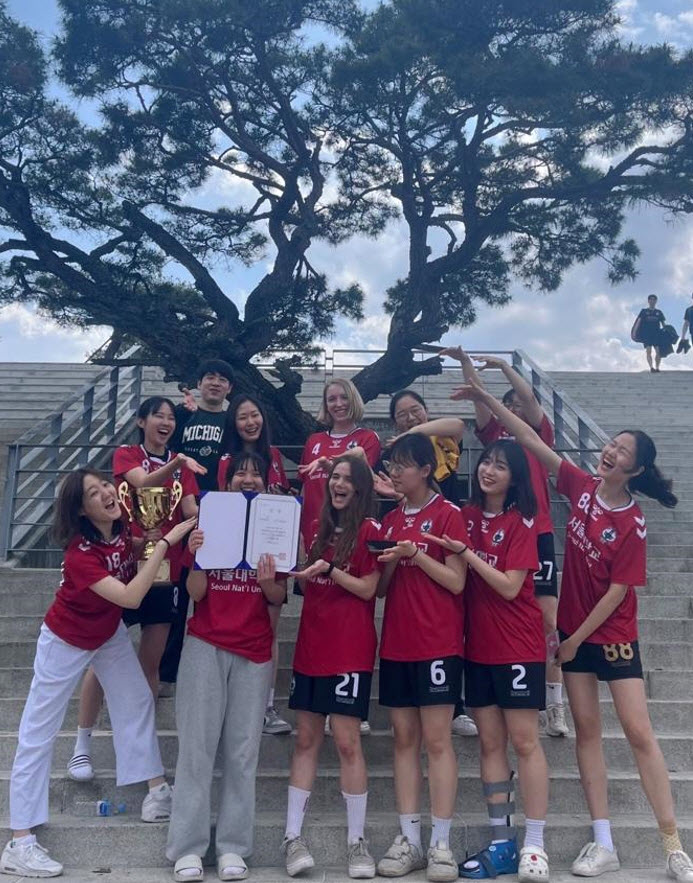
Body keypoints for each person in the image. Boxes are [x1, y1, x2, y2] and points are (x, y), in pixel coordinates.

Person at [451, 375, 693, 883]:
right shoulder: (580, 485)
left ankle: (672, 845)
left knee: (638, 732)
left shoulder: (632, 522)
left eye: (622, 451)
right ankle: (603, 841)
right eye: (611, 444)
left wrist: (575, 636)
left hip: (611, 636)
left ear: (637, 468)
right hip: (574, 636)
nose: (610, 452)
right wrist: (487, 398)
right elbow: (533, 441)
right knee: (586, 734)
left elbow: (619, 592)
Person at [0, 468, 195, 879]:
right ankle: (20, 841)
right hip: (64, 639)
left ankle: (157, 792)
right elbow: (130, 595)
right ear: (81, 510)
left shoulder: (121, 526)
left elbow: (131, 549)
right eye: (93, 492)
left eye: (105, 484)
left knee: (138, 698)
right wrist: (165, 544)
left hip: (106, 634)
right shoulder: (79, 554)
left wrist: (148, 541)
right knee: (38, 730)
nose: (106, 492)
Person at [423, 440, 551, 883]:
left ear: (515, 478)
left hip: (518, 647)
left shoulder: (521, 522)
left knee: (526, 742)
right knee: (490, 744)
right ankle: (502, 844)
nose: (489, 471)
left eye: (500, 466)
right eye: (487, 463)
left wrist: (466, 554)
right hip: (476, 649)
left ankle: (534, 844)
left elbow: (510, 587)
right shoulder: (466, 516)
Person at [66, 396, 201, 782]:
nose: (165, 422)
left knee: (151, 664)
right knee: (101, 656)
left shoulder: (183, 468)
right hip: (123, 569)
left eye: (171, 417)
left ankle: (143, 747)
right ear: (141, 421)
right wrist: (176, 464)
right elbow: (141, 483)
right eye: (157, 415)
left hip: (165, 571)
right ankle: (82, 744)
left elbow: (190, 511)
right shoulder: (128, 455)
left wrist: (203, 519)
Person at [166, 452, 286, 883]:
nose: (248, 478)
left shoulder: (277, 523)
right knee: (197, 749)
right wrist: (198, 557)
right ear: (227, 480)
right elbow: (196, 593)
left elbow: (275, 598)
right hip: (205, 643)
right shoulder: (207, 522)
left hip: (253, 650)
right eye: (241, 472)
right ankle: (187, 848)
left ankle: (234, 846)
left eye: (256, 472)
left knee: (241, 754)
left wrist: (269, 576)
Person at [443, 347, 569, 739]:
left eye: (513, 404)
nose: (510, 409)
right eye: (506, 404)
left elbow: (529, 400)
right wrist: (465, 362)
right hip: (493, 530)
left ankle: (554, 701)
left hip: (538, 529)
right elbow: (476, 391)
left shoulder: (532, 435)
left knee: (548, 620)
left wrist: (504, 366)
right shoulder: (493, 438)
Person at [281, 456, 381, 879]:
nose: (338, 484)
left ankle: (357, 842)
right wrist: (295, 570)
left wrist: (331, 570)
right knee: (306, 738)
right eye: (334, 477)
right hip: (311, 646)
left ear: (360, 489)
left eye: (346, 479)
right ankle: (291, 838)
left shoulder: (370, 531)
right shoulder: (315, 530)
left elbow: (368, 590)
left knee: (346, 742)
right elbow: (304, 581)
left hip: (350, 649)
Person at [375, 434, 467, 883]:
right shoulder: (389, 518)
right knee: (402, 739)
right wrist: (391, 560)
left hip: (438, 643)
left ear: (426, 470)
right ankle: (409, 838)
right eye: (392, 465)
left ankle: (441, 844)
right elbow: (381, 588)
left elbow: (456, 581)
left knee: (437, 741)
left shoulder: (450, 515)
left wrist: (416, 554)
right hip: (396, 642)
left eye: (404, 465)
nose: (395, 472)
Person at [386, 390, 477, 739]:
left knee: (456, 616)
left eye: (416, 410)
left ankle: (456, 704)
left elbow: (458, 423)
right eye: (402, 414)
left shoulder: (439, 438)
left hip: (448, 528)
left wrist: (412, 433)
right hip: (413, 521)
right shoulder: (398, 456)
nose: (410, 418)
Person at [217, 394, 292, 736]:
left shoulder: (274, 456)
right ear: (234, 423)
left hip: (270, 545)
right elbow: (223, 503)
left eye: (255, 415)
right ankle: (232, 701)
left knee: (269, 627)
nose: (250, 422)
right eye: (242, 417)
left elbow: (286, 498)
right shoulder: (226, 460)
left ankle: (266, 705)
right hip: (233, 551)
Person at [159, 359, 234, 688]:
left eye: (222, 379)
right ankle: (165, 672)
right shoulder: (182, 416)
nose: (215, 383)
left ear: (229, 388)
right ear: (200, 383)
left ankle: (215, 669)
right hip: (179, 510)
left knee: (212, 590)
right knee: (175, 590)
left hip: (218, 512)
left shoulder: (232, 420)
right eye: (209, 377)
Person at [632, 295, 666, 372]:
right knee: (648, 351)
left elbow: (663, 324)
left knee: (658, 352)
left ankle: (657, 367)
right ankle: (651, 367)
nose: (652, 301)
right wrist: (634, 332)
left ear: (656, 301)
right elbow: (638, 322)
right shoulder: (644, 311)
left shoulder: (659, 312)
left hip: (657, 334)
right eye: (651, 300)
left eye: (654, 300)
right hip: (647, 334)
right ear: (648, 301)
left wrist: (667, 331)